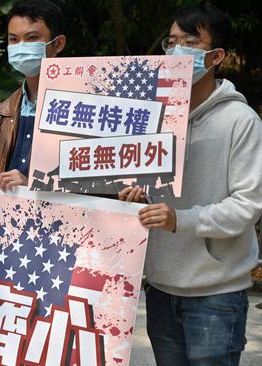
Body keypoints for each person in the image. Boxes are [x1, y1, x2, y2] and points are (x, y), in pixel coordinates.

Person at [119, 5, 262, 365]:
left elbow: (248, 205)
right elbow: (141, 186)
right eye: (172, 41)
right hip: (160, 288)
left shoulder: (240, 121)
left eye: (190, 41)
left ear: (216, 57)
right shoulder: (147, 116)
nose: (177, 50)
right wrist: (133, 197)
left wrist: (180, 219)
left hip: (216, 294)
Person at [0, 0, 66, 191]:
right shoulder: (3, 112)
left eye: (32, 38)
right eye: (13, 40)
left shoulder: (86, 107)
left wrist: (35, 183)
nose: (21, 46)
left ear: (58, 43)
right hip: (10, 216)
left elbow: (98, 177)